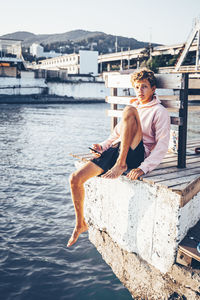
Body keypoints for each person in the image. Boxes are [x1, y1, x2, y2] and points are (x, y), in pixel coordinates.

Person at [67, 68, 170, 248]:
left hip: (136, 155)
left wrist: (144, 168)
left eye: (144, 87)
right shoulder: (134, 106)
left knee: (129, 110)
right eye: (137, 87)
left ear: (153, 89)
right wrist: (102, 146)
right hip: (118, 150)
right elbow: (115, 135)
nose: (140, 91)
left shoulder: (159, 111)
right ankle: (80, 224)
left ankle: (120, 165)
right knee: (75, 179)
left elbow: (162, 145)